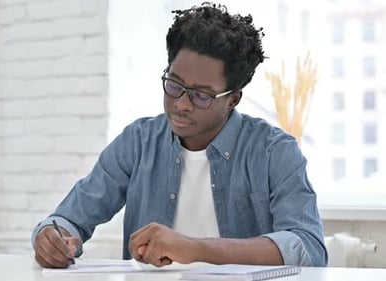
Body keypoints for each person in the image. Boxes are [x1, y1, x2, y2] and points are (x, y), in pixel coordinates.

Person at [32, 2, 328, 268]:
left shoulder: (274, 151)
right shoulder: (138, 142)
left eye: (201, 95)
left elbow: (308, 247)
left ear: (233, 99)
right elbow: (69, 218)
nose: (181, 104)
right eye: (174, 85)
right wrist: (53, 237)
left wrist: (195, 248)